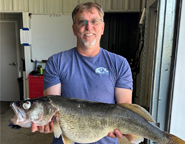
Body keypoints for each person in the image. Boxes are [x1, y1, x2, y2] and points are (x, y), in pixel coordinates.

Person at [31, 2, 133, 144]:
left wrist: (123, 129)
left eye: (94, 21)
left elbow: (126, 109)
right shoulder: (56, 62)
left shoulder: (119, 64)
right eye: (82, 22)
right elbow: (51, 105)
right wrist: (47, 122)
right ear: (74, 29)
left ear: (102, 27)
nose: (89, 27)